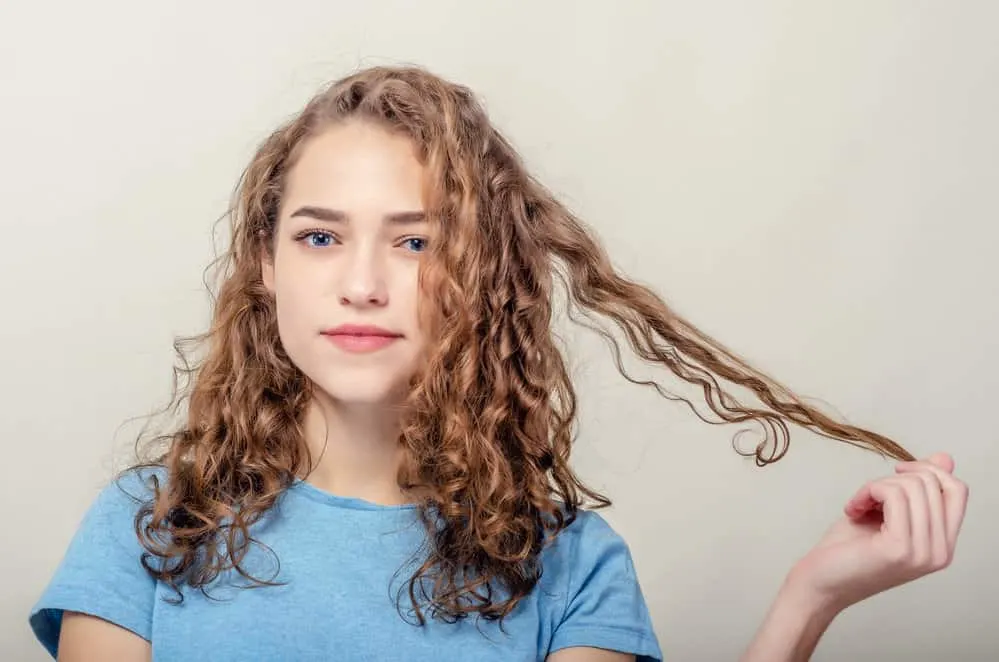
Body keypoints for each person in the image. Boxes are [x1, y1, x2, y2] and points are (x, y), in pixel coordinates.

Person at [29, 65, 968, 662]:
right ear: (265, 268)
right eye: (319, 237)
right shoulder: (146, 533)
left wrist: (812, 596)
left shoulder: (573, 573)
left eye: (415, 243)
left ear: (481, 277)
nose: (361, 283)